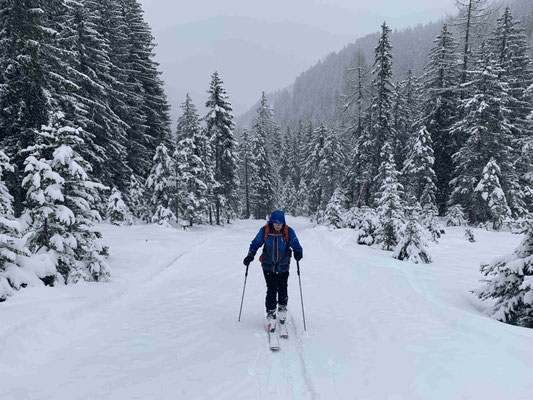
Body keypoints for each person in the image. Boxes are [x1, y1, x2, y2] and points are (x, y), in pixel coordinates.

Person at [243, 210, 303, 332]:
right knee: (271, 289)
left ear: (283, 223)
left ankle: (282, 308)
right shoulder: (265, 230)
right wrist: (250, 255)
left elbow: (296, 245)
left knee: (283, 288)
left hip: (283, 266)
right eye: (276, 223)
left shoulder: (288, 231)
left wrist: (298, 252)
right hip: (268, 266)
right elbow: (255, 243)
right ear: (271, 222)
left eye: (280, 224)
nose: (278, 226)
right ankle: (271, 313)